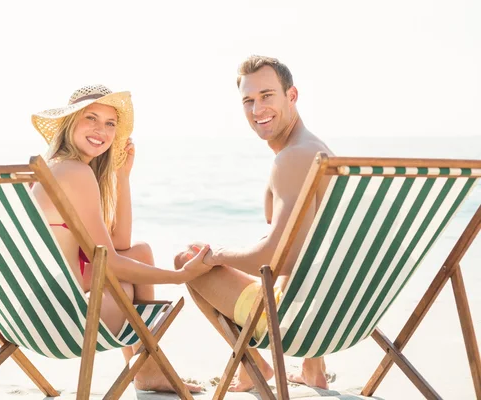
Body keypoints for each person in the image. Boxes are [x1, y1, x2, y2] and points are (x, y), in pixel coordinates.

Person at [30, 84, 211, 393]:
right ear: (69, 123)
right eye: (91, 118)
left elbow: (121, 244)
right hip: (59, 324)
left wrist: (121, 178)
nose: (101, 129)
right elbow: (111, 261)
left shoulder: (58, 167)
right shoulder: (74, 171)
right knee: (122, 283)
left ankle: (148, 370)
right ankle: (148, 368)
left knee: (139, 252)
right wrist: (179, 275)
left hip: (34, 312)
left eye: (110, 123)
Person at [176, 56, 334, 391]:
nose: (257, 108)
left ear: (291, 96)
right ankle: (313, 368)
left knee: (189, 259)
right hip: (335, 313)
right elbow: (312, 254)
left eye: (267, 96)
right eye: (248, 100)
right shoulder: (318, 151)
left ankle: (254, 367)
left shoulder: (293, 158)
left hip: (295, 322)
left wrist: (215, 255)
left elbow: (278, 259)